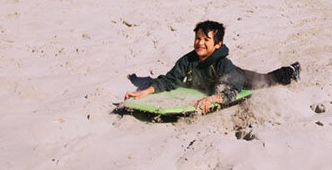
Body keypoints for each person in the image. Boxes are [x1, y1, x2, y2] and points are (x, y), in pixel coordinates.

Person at [124, 20, 300, 114]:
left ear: (217, 44)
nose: (200, 43)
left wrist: (213, 99)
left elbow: (233, 91)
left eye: (206, 40)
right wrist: (147, 90)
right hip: (212, 84)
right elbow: (171, 79)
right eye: (198, 39)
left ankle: (291, 70)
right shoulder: (188, 60)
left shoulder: (224, 64)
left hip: (239, 79)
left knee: (267, 80)